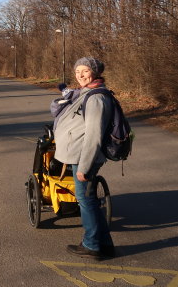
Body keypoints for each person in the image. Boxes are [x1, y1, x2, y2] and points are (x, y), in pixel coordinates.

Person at [53, 56, 116, 260]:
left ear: (95, 73)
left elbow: (94, 135)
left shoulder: (97, 98)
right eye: (77, 71)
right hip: (79, 155)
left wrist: (85, 167)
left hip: (84, 157)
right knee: (89, 200)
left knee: (85, 201)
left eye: (85, 71)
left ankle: (91, 245)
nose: (80, 75)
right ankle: (104, 244)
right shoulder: (87, 93)